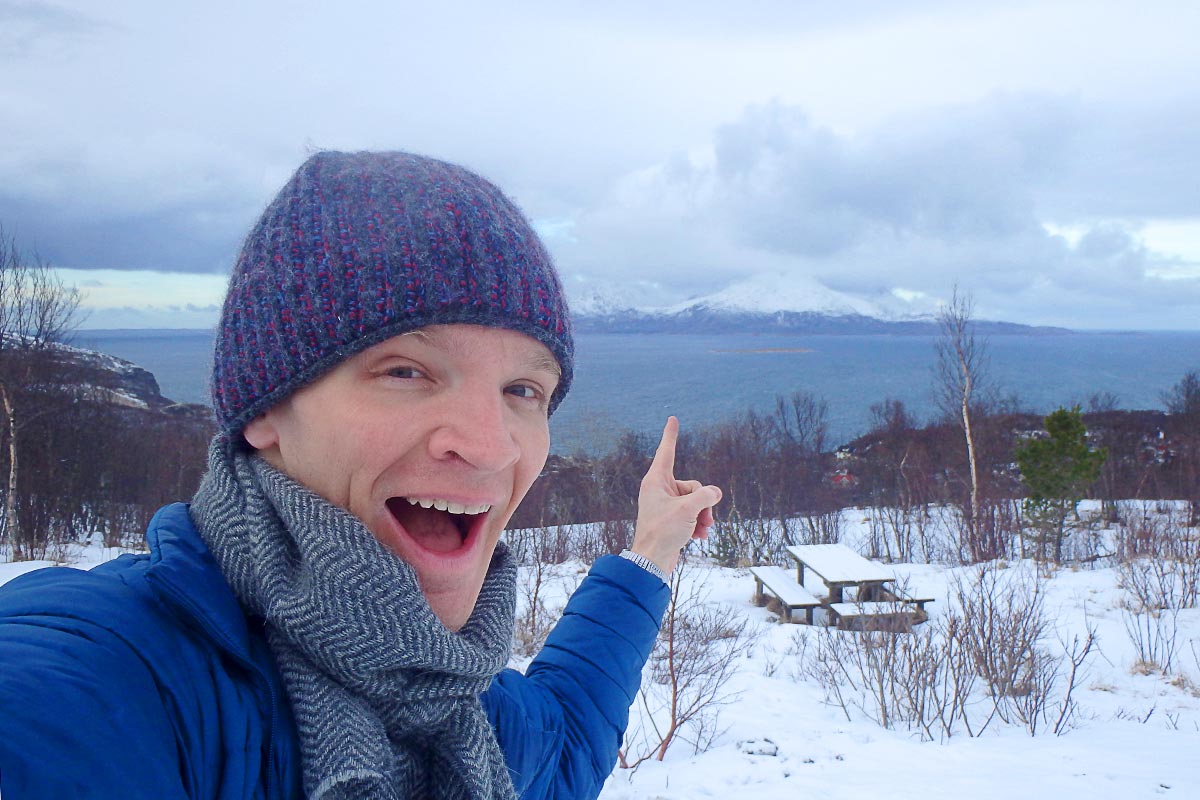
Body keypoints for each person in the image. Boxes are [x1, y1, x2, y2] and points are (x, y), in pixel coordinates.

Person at [0, 150, 722, 800]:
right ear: (265, 409)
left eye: (522, 391)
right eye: (405, 370)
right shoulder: (120, 679)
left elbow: (564, 741)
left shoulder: (450, 703)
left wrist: (652, 549)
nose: (491, 447)